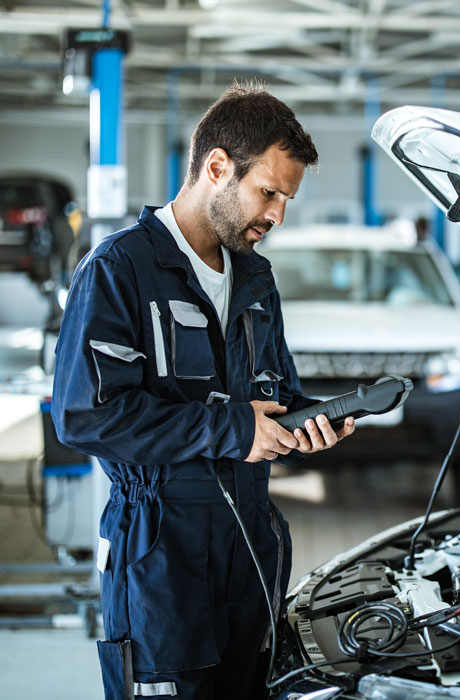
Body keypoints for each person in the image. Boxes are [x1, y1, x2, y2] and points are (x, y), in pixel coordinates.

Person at [51, 82, 355, 700]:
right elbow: (86, 416)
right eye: (267, 192)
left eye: (286, 199)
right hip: (161, 550)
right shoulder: (119, 270)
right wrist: (235, 430)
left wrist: (310, 419)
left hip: (250, 542)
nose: (276, 215)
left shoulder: (255, 277)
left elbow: (274, 391)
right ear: (217, 167)